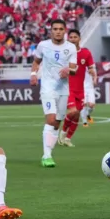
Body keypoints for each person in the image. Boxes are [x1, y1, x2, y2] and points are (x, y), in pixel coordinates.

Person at [30, 19, 78, 167]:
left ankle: (49, 151)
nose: (58, 31)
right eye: (55, 29)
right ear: (51, 31)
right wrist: (33, 73)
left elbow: (74, 69)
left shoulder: (70, 48)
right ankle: (46, 156)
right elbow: (37, 61)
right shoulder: (43, 45)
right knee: (50, 120)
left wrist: (68, 70)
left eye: (60, 29)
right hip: (48, 88)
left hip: (63, 90)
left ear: (65, 31)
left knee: (57, 123)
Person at [59, 29, 95, 147]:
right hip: (68, 88)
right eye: (71, 37)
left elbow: (91, 67)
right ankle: (63, 133)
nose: (73, 39)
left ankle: (68, 139)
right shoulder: (64, 54)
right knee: (73, 111)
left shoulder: (86, 53)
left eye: (75, 37)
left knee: (76, 114)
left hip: (81, 89)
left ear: (79, 39)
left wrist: (92, 72)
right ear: (68, 39)